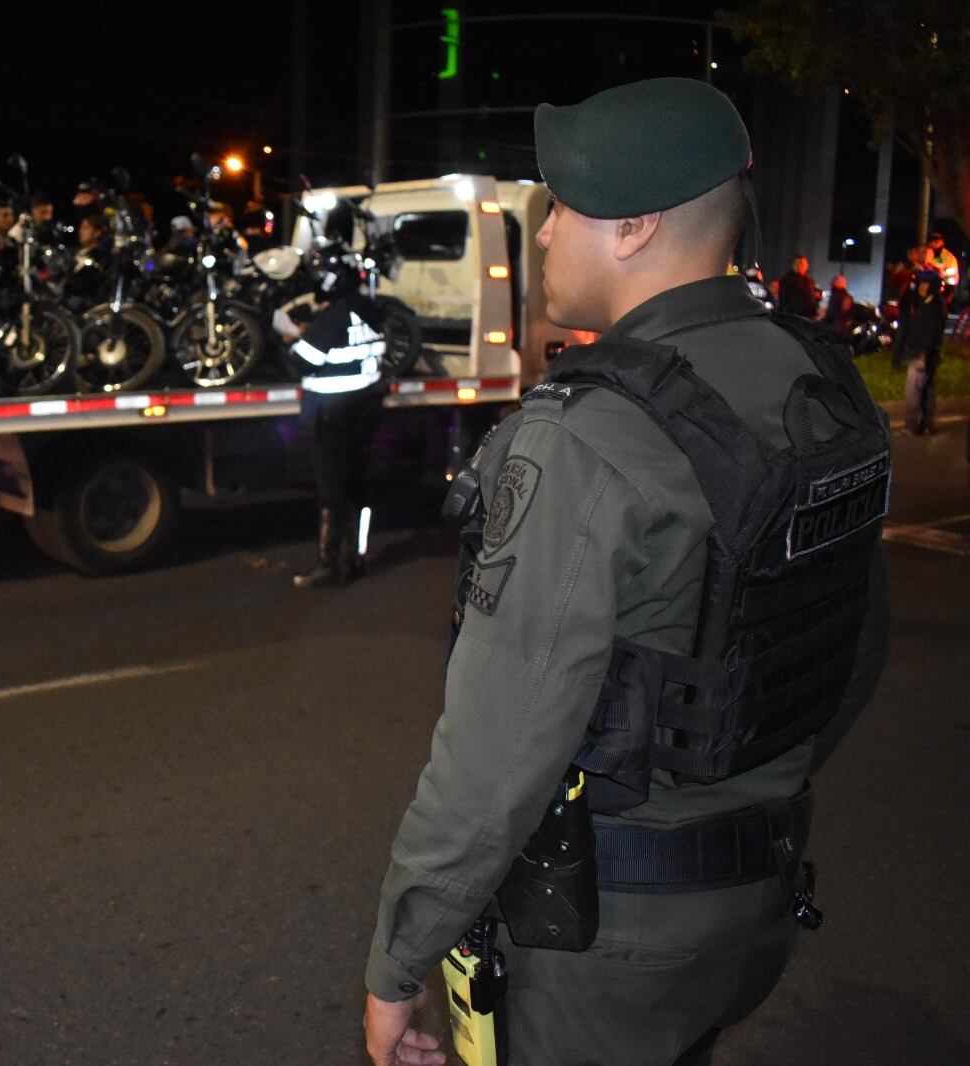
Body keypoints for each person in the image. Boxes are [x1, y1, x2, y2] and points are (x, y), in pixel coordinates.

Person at [364, 78, 890, 1066]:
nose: (548, 229)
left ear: (634, 225)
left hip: (610, 936)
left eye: (561, 205)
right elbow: (855, 642)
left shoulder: (588, 436)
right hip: (758, 896)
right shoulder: (820, 385)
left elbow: (495, 753)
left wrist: (400, 961)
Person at [286, 252, 387, 589]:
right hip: (365, 409)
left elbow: (302, 362)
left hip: (332, 416)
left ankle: (328, 565)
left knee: (332, 492)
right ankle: (356, 557)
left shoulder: (331, 318)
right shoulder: (371, 310)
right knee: (358, 487)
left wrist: (291, 340)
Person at [898, 267, 949, 435]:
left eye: (924, 283)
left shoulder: (933, 307)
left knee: (913, 390)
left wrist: (922, 354)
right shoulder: (928, 304)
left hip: (922, 354)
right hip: (926, 354)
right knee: (927, 389)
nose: (920, 286)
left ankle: (911, 426)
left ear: (931, 286)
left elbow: (930, 333)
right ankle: (926, 425)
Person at [775, 252, 820, 318]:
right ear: (794, 265)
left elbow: (811, 297)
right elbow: (783, 299)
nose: (805, 266)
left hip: (808, 316)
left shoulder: (809, 280)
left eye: (804, 264)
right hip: (795, 316)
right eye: (800, 263)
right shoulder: (788, 280)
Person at [923, 231, 959, 298]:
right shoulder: (927, 252)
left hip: (944, 291)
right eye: (932, 240)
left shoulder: (949, 257)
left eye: (936, 240)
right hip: (927, 289)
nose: (932, 243)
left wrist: (941, 274)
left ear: (941, 241)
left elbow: (953, 278)